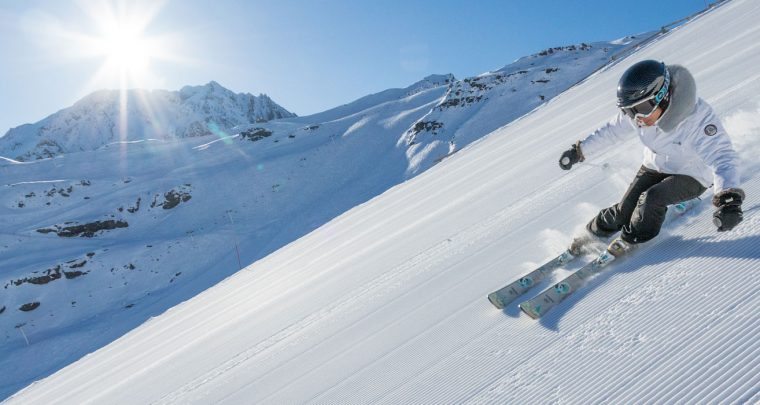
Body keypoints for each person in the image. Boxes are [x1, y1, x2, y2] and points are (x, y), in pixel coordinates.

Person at [559, 60, 744, 257]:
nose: (637, 118)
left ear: (662, 97)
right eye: (629, 111)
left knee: (652, 199)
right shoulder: (639, 115)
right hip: (654, 165)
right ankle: (592, 233)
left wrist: (729, 199)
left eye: (642, 108)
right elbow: (611, 132)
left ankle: (634, 238)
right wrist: (580, 151)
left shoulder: (698, 119)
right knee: (624, 211)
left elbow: (722, 156)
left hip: (692, 174)